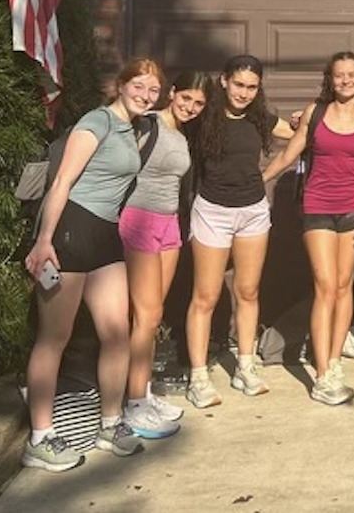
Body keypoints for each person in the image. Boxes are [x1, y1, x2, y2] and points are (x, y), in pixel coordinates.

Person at [22, 59, 165, 471]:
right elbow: (62, 181)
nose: (146, 95)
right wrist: (44, 240)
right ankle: (40, 438)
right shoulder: (97, 122)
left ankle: (111, 423)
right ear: (120, 86)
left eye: (154, 90)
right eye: (139, 86)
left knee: (117, 332)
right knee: (54, 337)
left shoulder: (134, 128)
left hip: (105, 236)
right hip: (71, 229)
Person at [261, 52, 354, 405]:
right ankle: (323, 375)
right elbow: (289, 154)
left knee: (344, 286)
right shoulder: (316, 113)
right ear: (331, 79)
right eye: (339, 75)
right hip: (318, 207)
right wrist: (258, 181)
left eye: (351, 75)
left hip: (351, 209)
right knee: (326, 286)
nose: (345, 81)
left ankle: (333, 360)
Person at [184, 54, 292, 407]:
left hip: (253, 213)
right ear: (224, 80)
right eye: (239, 84)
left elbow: (304, 134)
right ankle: (198, 376)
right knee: (206, 296)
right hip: (212, 211)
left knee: (247, 291)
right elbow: (170, 118)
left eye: (252, 87)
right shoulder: (203, 116)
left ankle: (245, 366)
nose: (244, 93)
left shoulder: (260, 117)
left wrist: (271, 172)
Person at [120, 71, 209, 438]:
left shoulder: (181, 133)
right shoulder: (148, 123)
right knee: (146, 315)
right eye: (186, 98)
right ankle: (133, 405)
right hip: (138, 220)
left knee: (153, 316)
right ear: (172, 93)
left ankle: (142, 391)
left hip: (168, 223)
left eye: (199, 103)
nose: (191, 107)